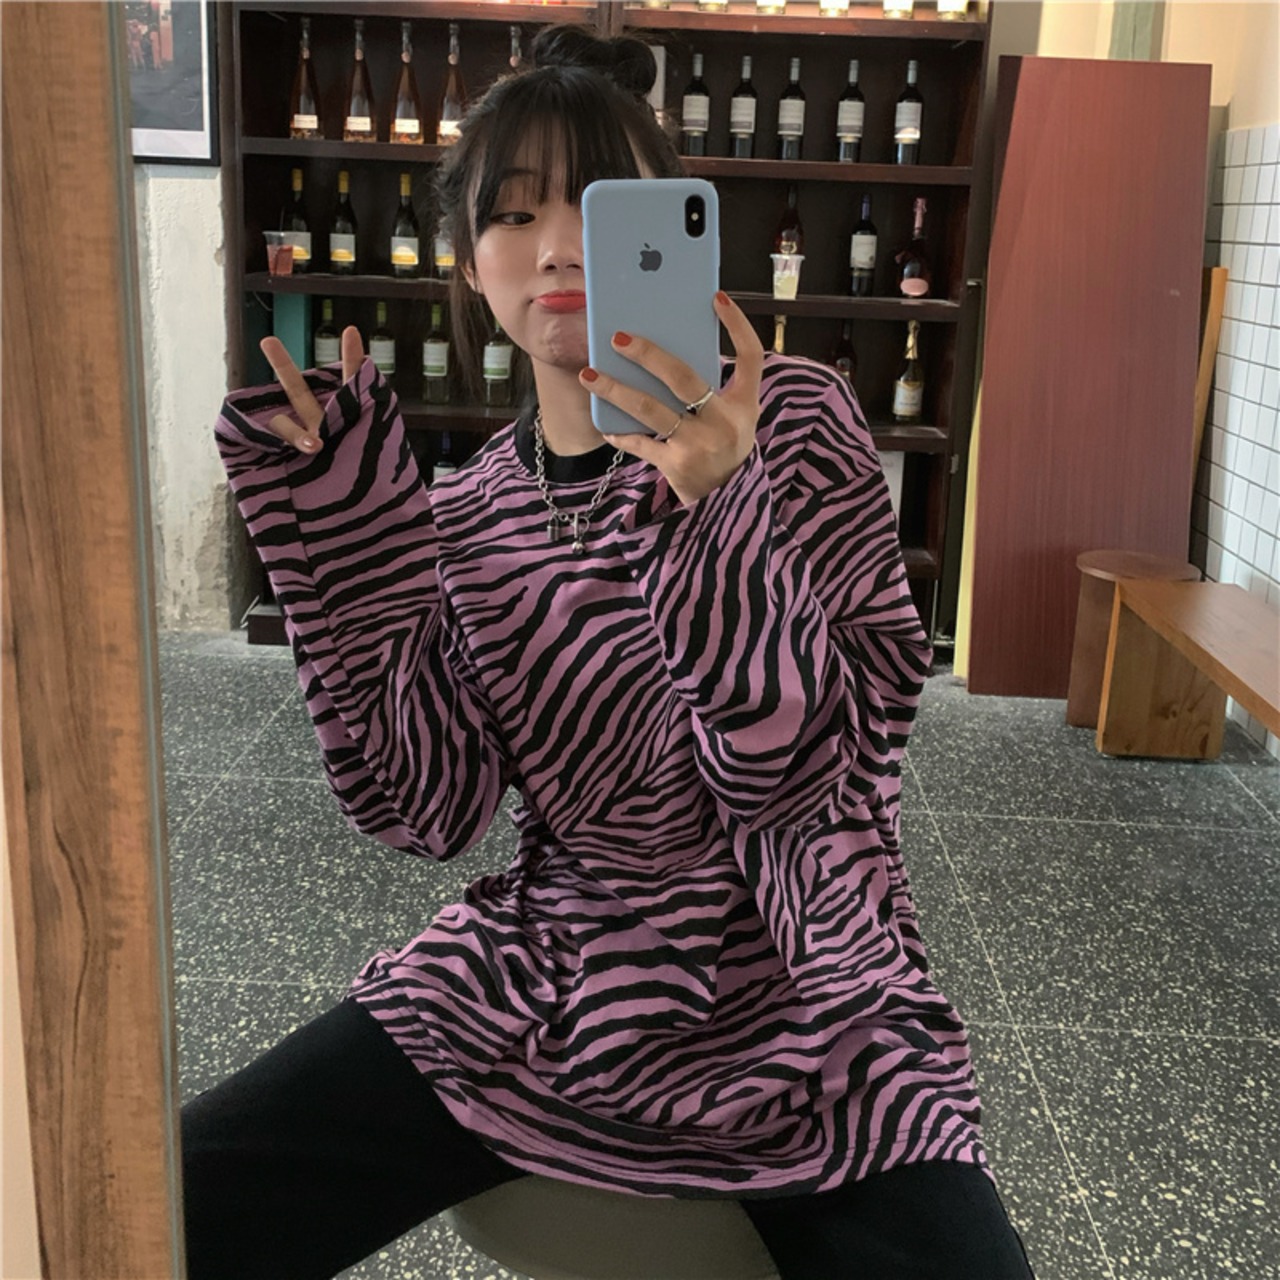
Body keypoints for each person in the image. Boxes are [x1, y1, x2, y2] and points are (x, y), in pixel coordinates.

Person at [186, 25, 1035, 1280]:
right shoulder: (469, 511)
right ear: (468, 262)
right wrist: (352, 540)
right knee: (168, 1199)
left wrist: (716, 510)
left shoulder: (794, 423)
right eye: (513, 212)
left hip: (812, 982)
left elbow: (810, 776)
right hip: (554, 960)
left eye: (599, 205)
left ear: (674, 228)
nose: (559, 245)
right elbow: (427, 807)